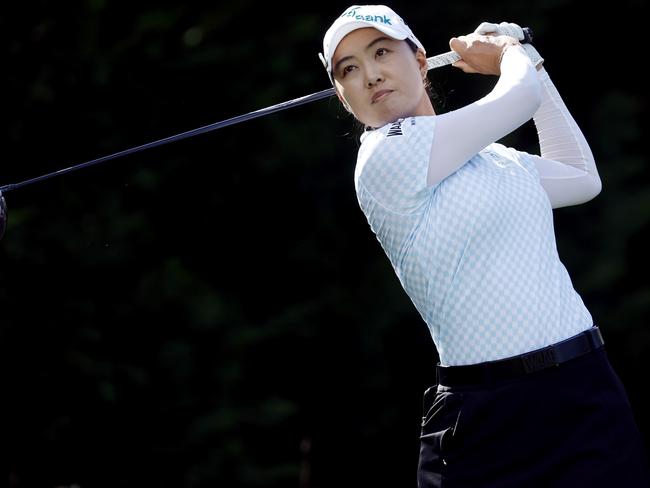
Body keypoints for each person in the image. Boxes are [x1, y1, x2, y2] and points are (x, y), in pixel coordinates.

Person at [319, 5, 650, 487]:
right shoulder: (382, 158)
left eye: (382, 52)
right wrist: (511, 52)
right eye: (349, 69)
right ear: (343, 96)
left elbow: (581, 178)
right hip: (485, 420)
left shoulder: (489, 156)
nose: (370, 74)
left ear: (419, 59)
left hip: (584, 390)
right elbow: (517, 99)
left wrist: (531, 63)